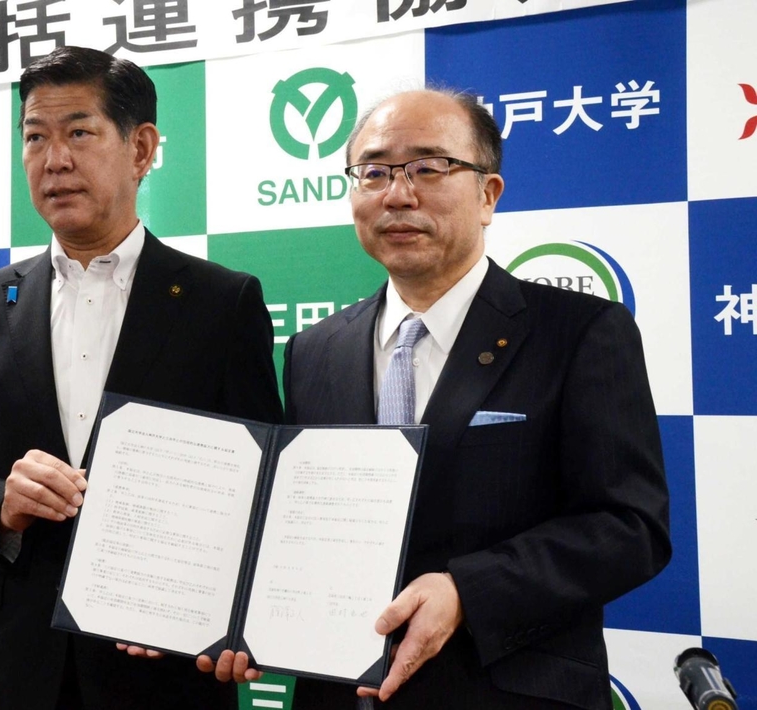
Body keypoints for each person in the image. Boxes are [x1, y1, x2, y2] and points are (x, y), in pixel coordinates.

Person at [0, 46, 283, 710]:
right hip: (13, 662)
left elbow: (261, 487)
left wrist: (214, 605)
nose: (54, 160)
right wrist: (1, 504)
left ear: (141, 149)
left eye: (78, 133)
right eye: (34, 138)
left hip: (162, 666)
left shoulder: (222, 302)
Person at [278, 88, 671, 709]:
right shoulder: (314, 350)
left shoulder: (580, 332)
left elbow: (630, 528)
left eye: (429, 168)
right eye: (374, 172)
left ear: (488, 195)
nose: (398, 195)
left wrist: (468, 590)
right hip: (340, 692)